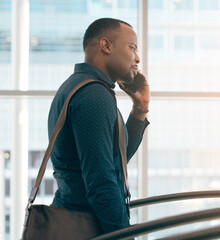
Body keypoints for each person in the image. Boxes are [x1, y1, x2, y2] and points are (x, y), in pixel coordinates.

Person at [47, 18, 150, 233]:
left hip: (74, 220)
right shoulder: (93, 95)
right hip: (84, 226)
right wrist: (125, 237)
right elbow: (102, 184)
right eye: (132, 48)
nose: (137, 58)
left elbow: (113, 162)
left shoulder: (79, 86)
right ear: (106, 46)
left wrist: (140, 108)